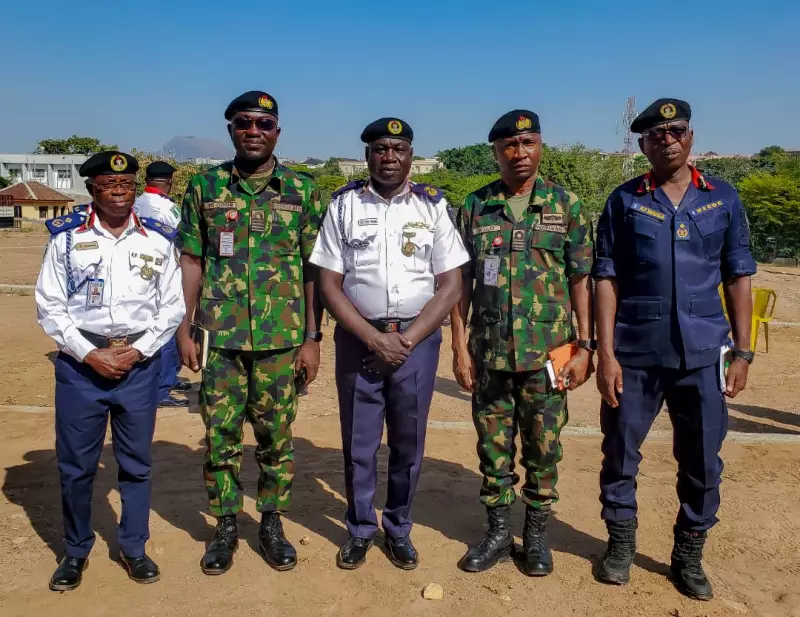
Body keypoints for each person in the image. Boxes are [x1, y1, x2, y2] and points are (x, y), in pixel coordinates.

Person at [593, 98, 756, 601]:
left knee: (703, 460)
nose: (666, 139)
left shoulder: (723, 198)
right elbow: (606, 278)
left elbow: (738, 277)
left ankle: (688, 554)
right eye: (654, 135)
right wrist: (605, 354)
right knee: (620, 452)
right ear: (642, 144)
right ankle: (620, 544)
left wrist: (744, 352)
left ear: (690, 137)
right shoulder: (624, 201)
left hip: (704, 354)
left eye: (676, 131)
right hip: (636, 353)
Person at [176, 90, 326, 575]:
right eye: (244, 123)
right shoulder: (205, 186)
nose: (254, 131)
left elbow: (312, 271)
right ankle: (224, 526)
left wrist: (312, 338)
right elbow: (192, 261)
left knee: (276, 438)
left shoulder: (302, 190)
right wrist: (184, 326)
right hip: (220, 340)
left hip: (281, 342)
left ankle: (271, 522)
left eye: (263, 123)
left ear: (277, 131)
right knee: (219, 436)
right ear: (231, 130)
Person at [311, 117, 469, 570]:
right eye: (380, 149)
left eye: (398, 149)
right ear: (367, 155)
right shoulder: (343, 206)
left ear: (411, 157)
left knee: (408, 442)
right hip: (359, 338)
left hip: (416, 342)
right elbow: (329, 284)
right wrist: (374, 338)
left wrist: (408, 339)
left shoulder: (433, 207)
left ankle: (398, 527)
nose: (389, 157)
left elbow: (450, 284)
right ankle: (360, 528)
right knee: (359, 444)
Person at [450, 110, 595, 577]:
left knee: (543, 449)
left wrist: (585, 346)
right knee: (492, 448)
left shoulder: (566, 205)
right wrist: (458, 346)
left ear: (540, 147)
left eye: (528, 143)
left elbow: (581, 280)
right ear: (495, 152)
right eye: (509, 146)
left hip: (549, 354)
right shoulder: (474, 206)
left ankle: (534, 537)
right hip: (489, 352)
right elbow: (460, 282)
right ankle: (496, 533)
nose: (519, 153)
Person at [35, 151, 185, 591]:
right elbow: (50, 304)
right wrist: (87, 353)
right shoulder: (65, 238)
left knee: (136, 464)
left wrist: (138, 351)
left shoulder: (157, 239)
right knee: (76, 467)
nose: (119, 191)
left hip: (138, 367)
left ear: (135, 189)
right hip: (81, 368)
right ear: (92, 189)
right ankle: (76, 550)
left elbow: (172, 304)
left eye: (125, 184)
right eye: (108, 183)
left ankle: (134, 547)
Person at [134, 160, 190, 407]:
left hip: (140, 270)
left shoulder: (136, 202)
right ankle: (162, 388)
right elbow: (183, 237)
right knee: (168, 326)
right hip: (165, 270)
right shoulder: (166, 207)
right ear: (169, 181)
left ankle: (164, 378)